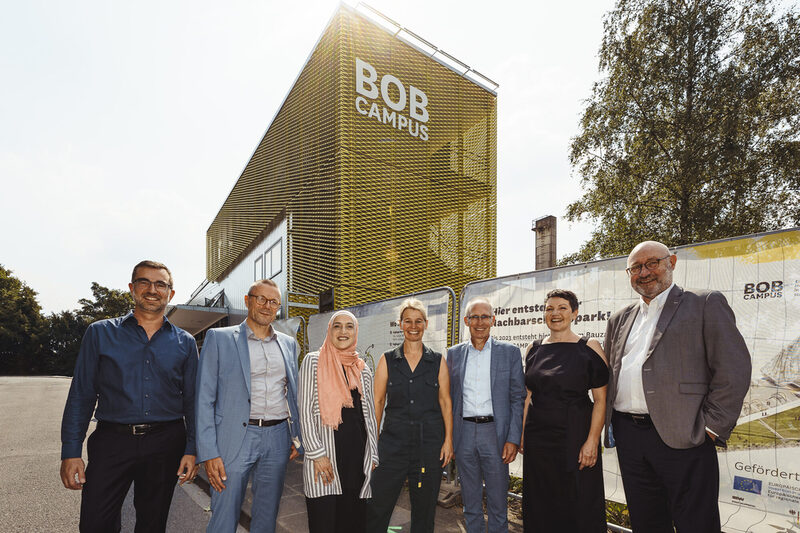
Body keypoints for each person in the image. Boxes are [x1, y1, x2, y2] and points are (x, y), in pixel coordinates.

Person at [604, 241, 751, 532]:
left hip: (686, 436)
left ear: (671, 262)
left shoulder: (704, 303)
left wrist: (711, 428)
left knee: (696, 523)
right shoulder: (620, 318)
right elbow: (612, 371)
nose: (644, 272)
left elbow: (733, 369)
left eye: (652, 263)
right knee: (646, 521)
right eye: (636, 267)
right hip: (629, 437)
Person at [60, 260, 199, 533]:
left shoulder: (185, 342)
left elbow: (193, 401)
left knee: (152, 524)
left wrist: (192, 449)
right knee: (95, 523)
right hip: (112, 441)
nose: (152, 289)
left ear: (170, 293)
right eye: (144, 282)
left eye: (160, 284)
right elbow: (81, 395)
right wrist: (71, 452)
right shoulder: (100, 333)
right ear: (132, 288)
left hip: (166, 443)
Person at [196, 278, 302, 533]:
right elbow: (204, 398)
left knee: (267, 514)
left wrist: (296, 435)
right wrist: (208, 452)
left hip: (277, 437)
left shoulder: (288, 344)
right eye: (261, 299)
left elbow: (292, 392)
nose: (267, 306)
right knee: (224, 515)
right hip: (234, 437)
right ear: (247, 301)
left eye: (274, 302)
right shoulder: (219, 338)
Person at [520, 289, 608, 533]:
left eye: (562, 308)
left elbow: (601, 400)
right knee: (540, 501)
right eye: (549, 308)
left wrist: (592, 441)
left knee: (578, 501)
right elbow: (528, 396)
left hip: (575, 437)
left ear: (575, 313)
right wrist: (522, 434)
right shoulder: (533, 348)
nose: (555, 313)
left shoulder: (589, 347)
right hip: (538, 440)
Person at [366, 298, 454, 533]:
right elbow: (377, 402)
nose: (413, 326)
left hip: (428, 447)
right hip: (392, 445)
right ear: (400, 324)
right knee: (377, 505)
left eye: (418, 321)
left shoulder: (437, 361)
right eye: (408, 321)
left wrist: (448, 440)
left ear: (426, 324)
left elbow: (446, 401)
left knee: (424, 511)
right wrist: (372, 442)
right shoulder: (387, 360)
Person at [447, 297, 525, 533]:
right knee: (470, 498)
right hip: (464, 433)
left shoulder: (509, 352)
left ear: (493, 320)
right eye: (474, 317)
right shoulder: (453, 354)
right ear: (466, 321)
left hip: (496, 434)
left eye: (485, 317)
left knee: (498, 500)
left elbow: (517, 398)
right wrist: (449, 438)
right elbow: (448, 398)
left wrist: (513, 438)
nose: (479, 322)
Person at [298, 310, 379, 533]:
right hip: (326, 458)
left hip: (356, 460)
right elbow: (305, 412)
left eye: (349, 326)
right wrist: (316, 454)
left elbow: (369, 416)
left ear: (356, 332)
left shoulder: (362, 369)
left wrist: (373, 454)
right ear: (329, 330)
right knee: (324, 521)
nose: (343, 331)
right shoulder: (313, 361)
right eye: (337, 326)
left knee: (353, 522)